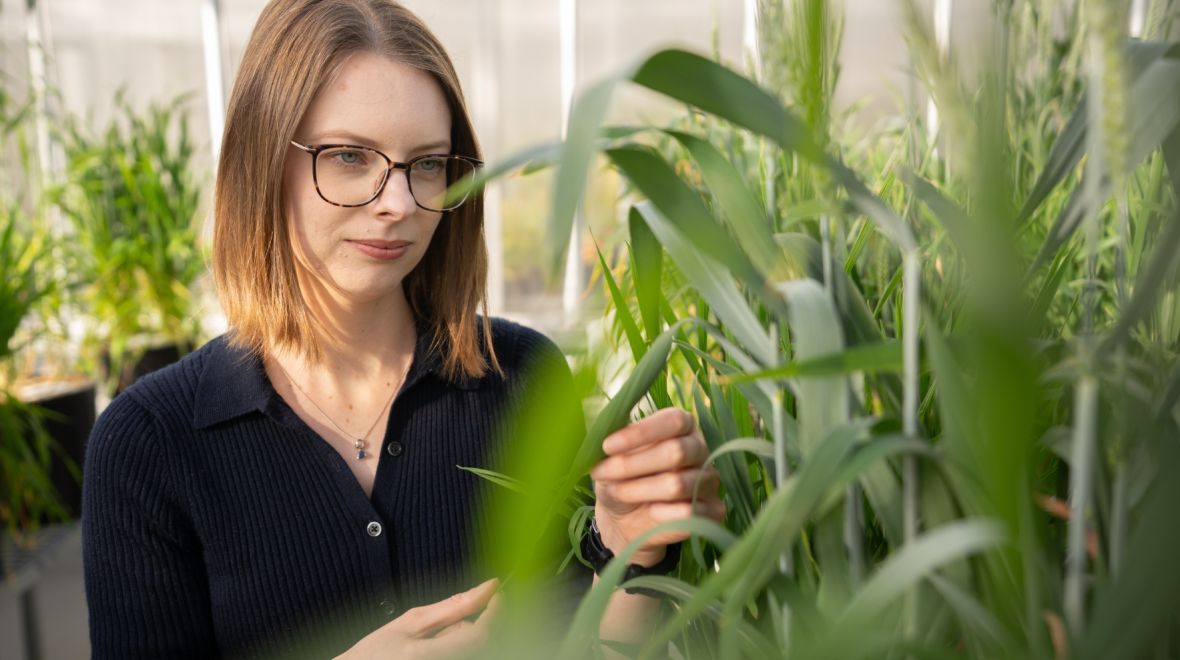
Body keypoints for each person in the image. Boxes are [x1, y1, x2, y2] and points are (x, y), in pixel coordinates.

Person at [81, 0, 724, 657]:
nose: (398, 203)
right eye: (351, 157)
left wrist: (630, 551)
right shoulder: (148, 447)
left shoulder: (522, 379)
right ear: (264, 158)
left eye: (426, 164)